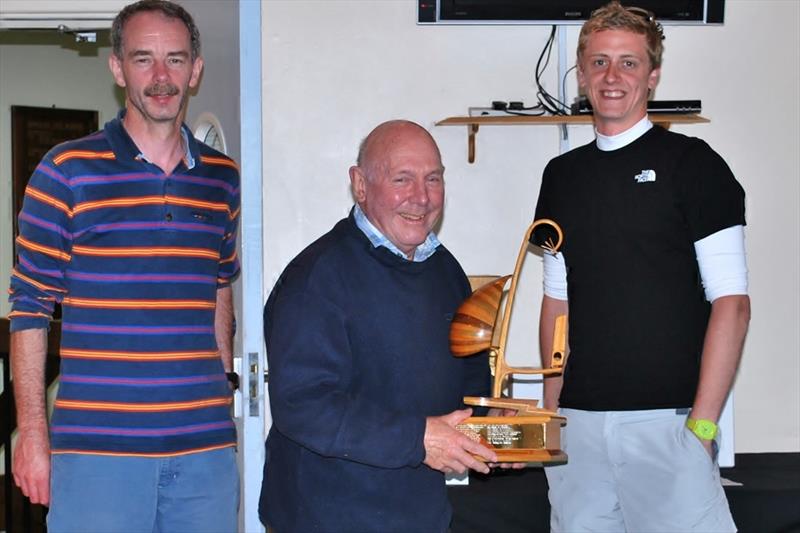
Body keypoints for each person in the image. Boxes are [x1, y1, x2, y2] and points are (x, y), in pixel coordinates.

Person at [8, 1, 240, 531]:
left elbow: (219, 281)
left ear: (195, 70)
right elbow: (29, 309)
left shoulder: (222, 178)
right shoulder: (66, 171)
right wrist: (33, 439)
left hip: (204, 456)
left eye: (176, 60)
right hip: (96, 457)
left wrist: (224, 385)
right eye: (143, 59)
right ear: (117, 68)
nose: (161, 77)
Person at [534, 2, 750, 531]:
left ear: (652, 76)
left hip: (669, 428)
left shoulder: (695, 165)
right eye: (599, 62)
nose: (612, 77)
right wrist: (552, 416)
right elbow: (557, 301)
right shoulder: (560, 176)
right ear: (582, 74)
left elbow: (733, 303)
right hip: (579, 431)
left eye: (628, 63)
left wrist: (701, 429)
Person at [259, 120, 497, 532]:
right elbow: (303, 405)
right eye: (402, 179)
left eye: (433, 179)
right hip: (325, 517)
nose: (421, 198)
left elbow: (472, 375)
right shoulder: (317, 277)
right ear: (360, 184)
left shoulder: (446, 272)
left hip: (420, 514)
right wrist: (417, 439)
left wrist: (492, 425)